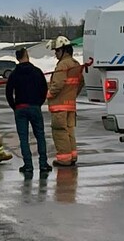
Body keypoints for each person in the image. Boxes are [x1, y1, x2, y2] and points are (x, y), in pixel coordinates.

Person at [5, 47, 52, 174]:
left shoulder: (14, 74)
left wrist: (14, 106)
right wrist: (38, 103)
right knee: (40, 136)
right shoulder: (37, 71)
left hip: (20, 108)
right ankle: (43, 164)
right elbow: (44, 89)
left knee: (24, 138)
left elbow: (8, 92)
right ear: (26, 55)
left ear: (17, 58)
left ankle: (28, 165)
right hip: (35, 107)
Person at [46, 36, 85, 166]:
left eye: (57, 51)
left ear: (64, 51)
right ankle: (72, 156)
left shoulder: (63, 65)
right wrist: (72, 95)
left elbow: (58, 84)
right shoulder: (76, 64)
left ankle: (64, 159)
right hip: (70, 106)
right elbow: (80, 83)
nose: (55, 54)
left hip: (59, 107)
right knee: (69, 132)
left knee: (60, 132)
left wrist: (49, 94)